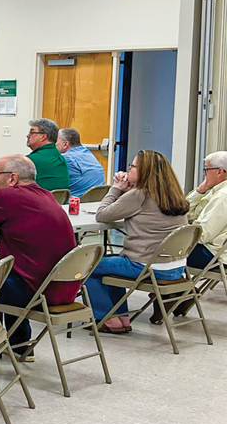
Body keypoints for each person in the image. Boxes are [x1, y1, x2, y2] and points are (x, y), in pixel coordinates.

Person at [0, 155, 78, 363]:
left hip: (33, 292)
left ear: (12, 178)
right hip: (62, 289)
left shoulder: (6, 196)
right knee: (14, 269)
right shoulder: (47, 196)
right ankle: (20, 345)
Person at [87, 150, 190, 334]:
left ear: (145, 172)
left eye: (132, 166)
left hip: (147, 266)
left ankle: (108, 319)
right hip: (176, 266)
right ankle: (121, 318)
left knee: (89, 266)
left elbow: (102, 214)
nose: (128, 169)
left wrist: (116, 188)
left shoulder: (139, 195)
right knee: (110, 263)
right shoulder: (173, 193)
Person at [186, 151, 227, 271]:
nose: (204, 174)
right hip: (217, 252)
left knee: (162, 251)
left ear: (219, 171)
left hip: (215, 256)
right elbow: (187, 213)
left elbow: (203, 235)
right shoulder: (217, 191)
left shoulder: (223, 195)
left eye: (207, 170)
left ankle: (177, 288)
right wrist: (200, 190)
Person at [58, 128, 106, 198]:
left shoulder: (66, 158)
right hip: (96, 202)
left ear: (65, 144)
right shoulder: (88, 153)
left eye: (56, 142)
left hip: (75, 204)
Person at [25, 118, 69, 191]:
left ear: (43, 137)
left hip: (38, 201)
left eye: (32, 132)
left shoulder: (30, 161)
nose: (28, 135)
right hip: (57, 201)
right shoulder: (59, 157)